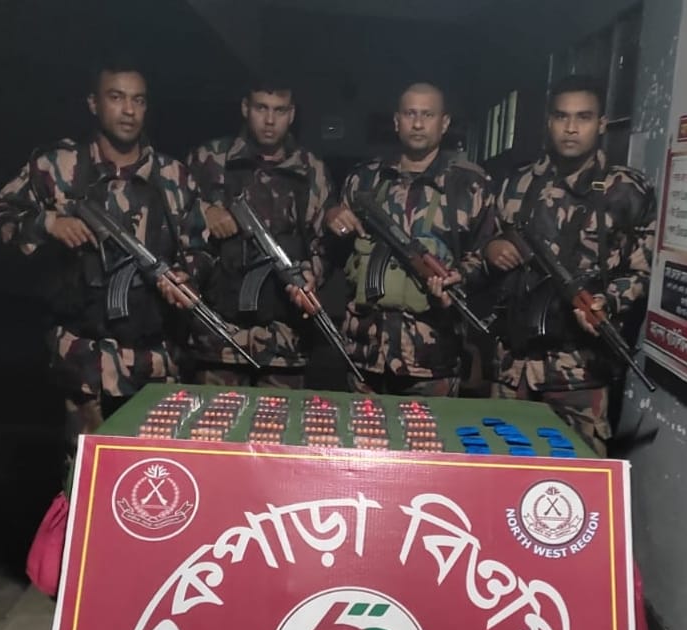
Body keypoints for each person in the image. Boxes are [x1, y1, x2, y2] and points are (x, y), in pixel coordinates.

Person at [0, 58, 211, 449]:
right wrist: (48, 223)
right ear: (93, 103)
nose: (128, 110)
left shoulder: (173, 177)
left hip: (154, 362)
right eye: (116, 97)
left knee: (151, 471)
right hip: (82, 361)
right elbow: (2, 219)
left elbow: (199, 248)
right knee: (83, 473)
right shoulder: (58, 166)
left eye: (138, 100)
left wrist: (185, 278)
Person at [484, 74, 656, 456]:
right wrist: (492, 249)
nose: (571, 128)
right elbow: (484, 246)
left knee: (579, 475)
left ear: (602, 124)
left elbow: (641, 271)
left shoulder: (627, 190)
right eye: (562, 116)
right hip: (512, 366)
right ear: (549, 122)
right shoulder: (516, 184)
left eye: (584, 117)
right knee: (501, 472)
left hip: (580, 371)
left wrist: (608, 301)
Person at [325, 82, 494, 396]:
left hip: (433, 357)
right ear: (396, 121)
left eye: (427, 115)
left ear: (444, 123)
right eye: (410, 114)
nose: (417, 124)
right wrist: (332, 218)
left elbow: (486, 256)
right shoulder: (364, 179)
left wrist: (459, 278)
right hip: (365, 355)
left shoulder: (470, 184)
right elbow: (334, 253)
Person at [186, 81, 336, 388]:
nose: (269, 120)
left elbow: (324, 242)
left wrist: (312, 275)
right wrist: (205, 214)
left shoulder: (311, 169)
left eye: (279, 111)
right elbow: (176, 222)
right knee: (216, 420)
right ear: (245, 108)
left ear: (291, 114)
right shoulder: (209, 159)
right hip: (218, 340)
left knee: (279, 420)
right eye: (261, 108)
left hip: (285, 343)